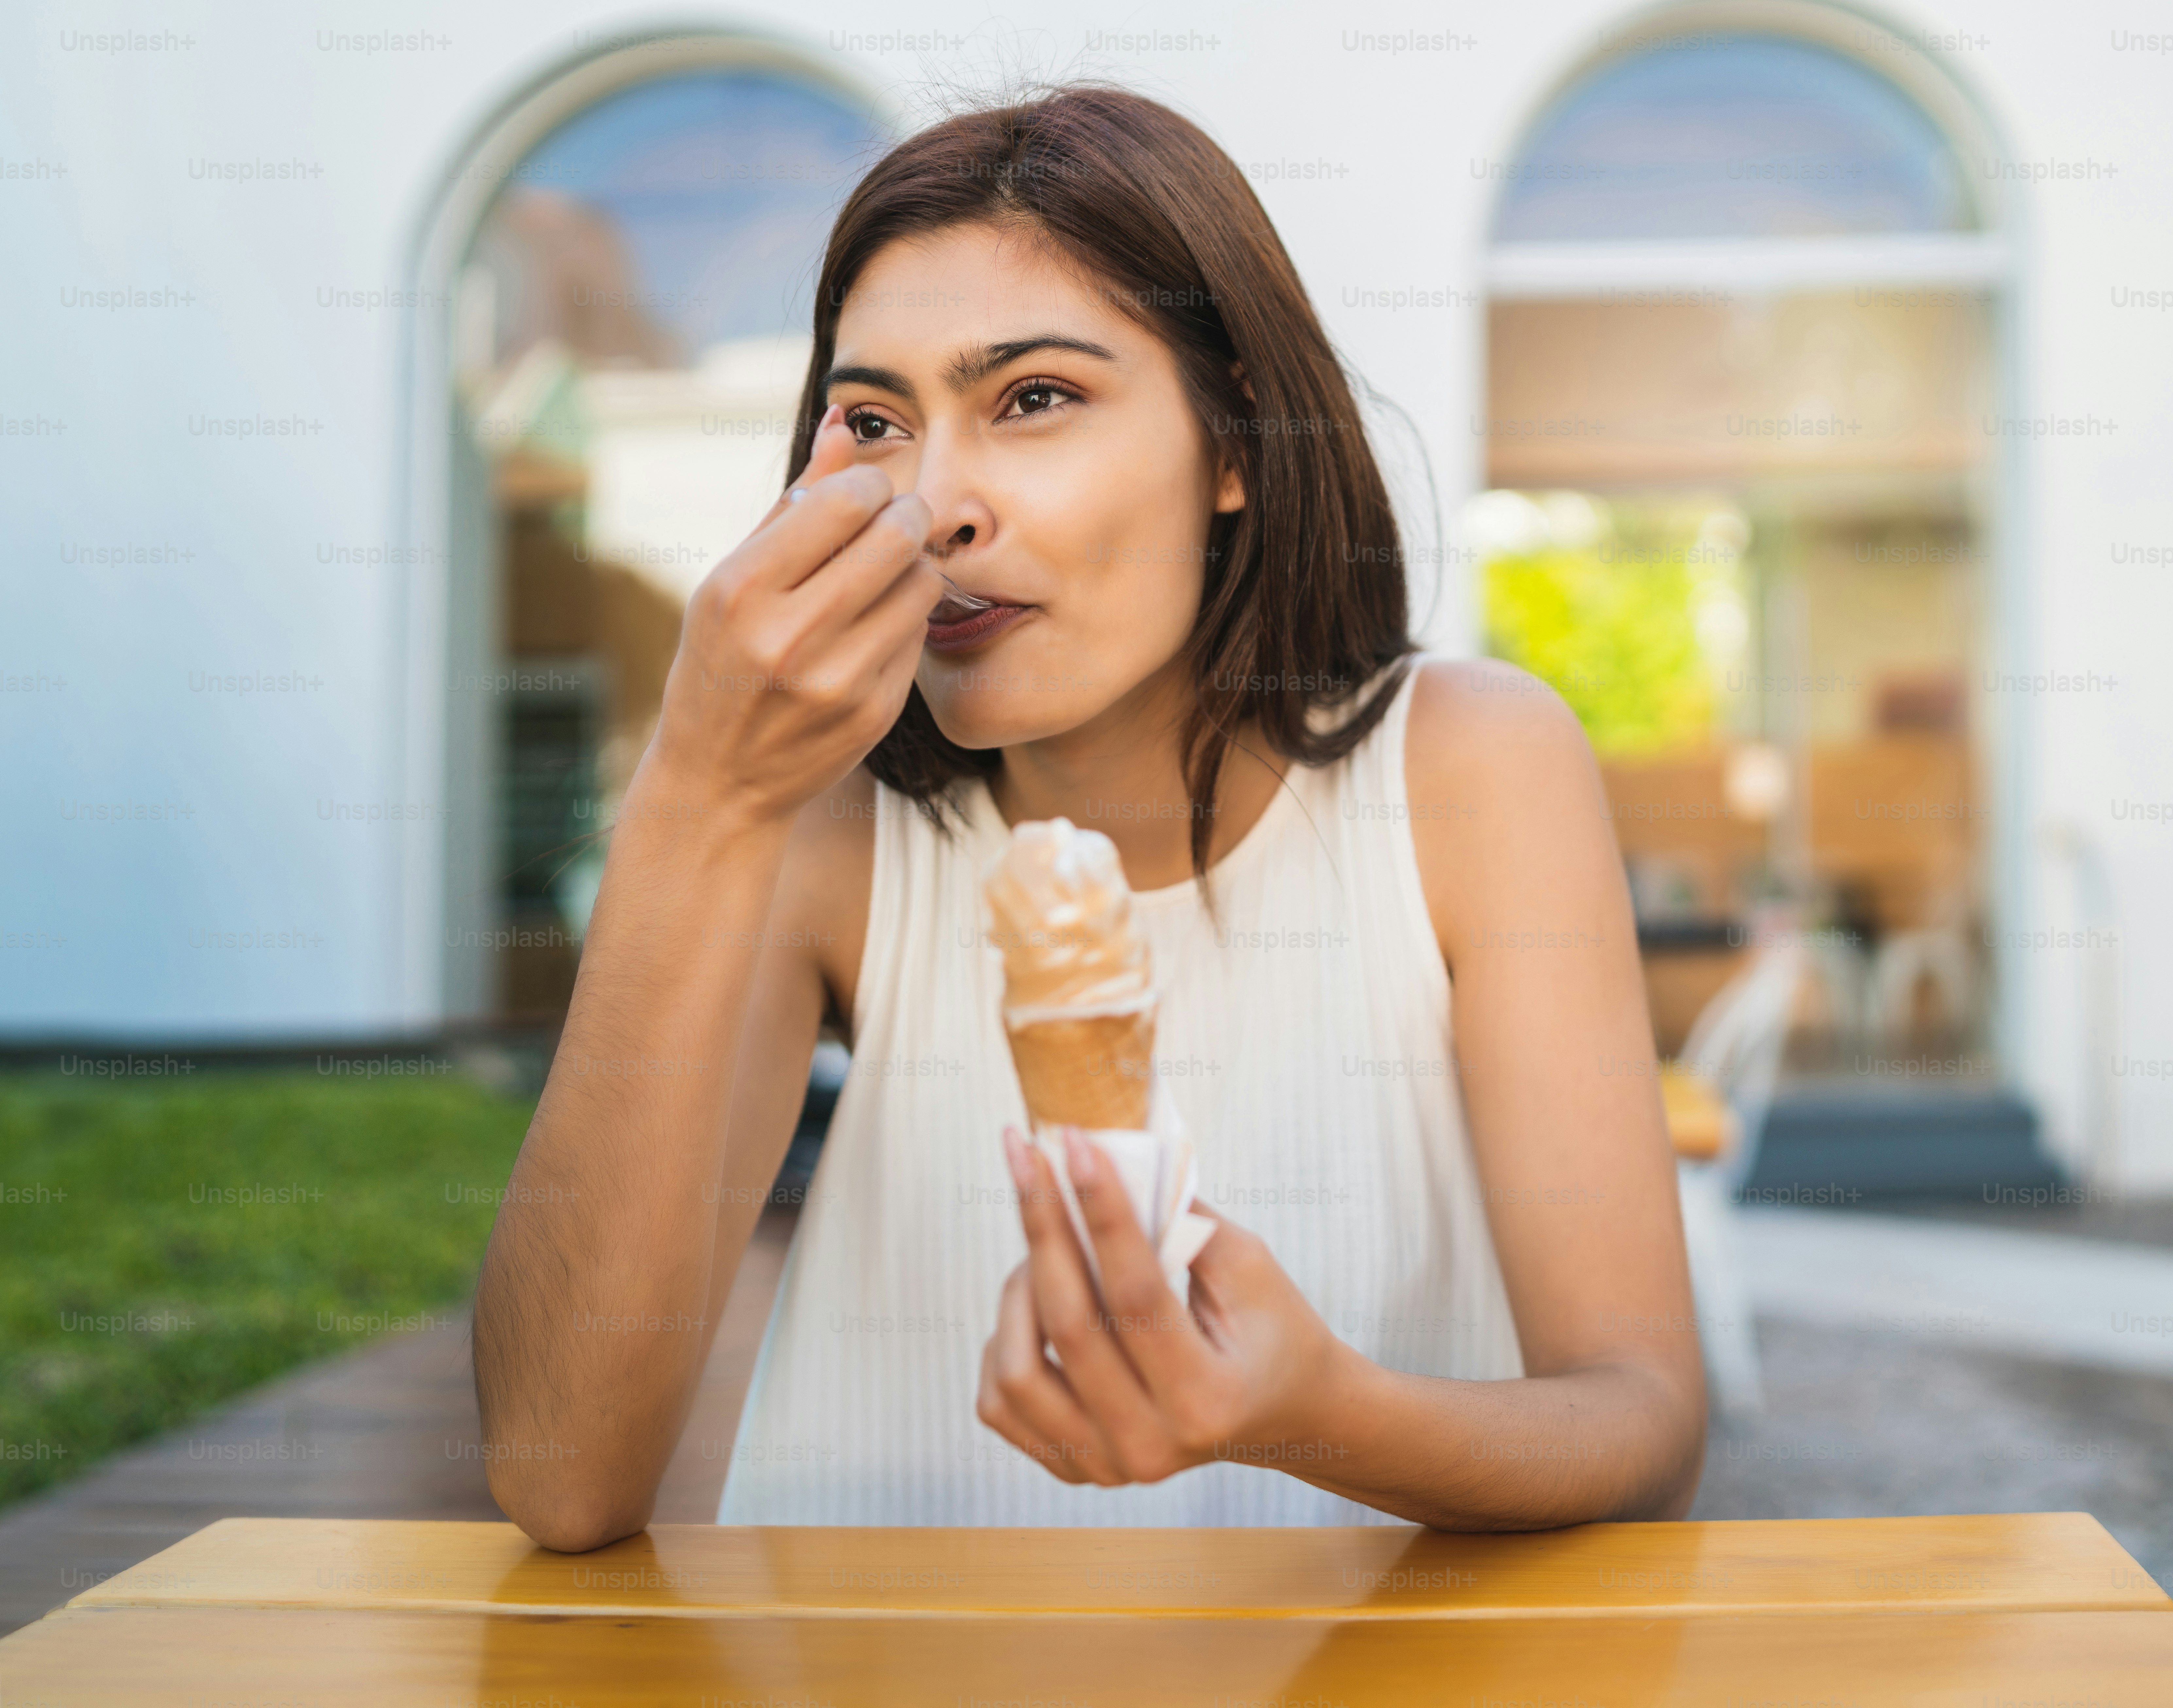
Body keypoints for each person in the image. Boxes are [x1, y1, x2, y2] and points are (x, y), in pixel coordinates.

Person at [471, 84, 1703, 1549]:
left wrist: (1312, 1410)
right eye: (871, 421)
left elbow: (1638, 1419)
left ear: (1238, 437)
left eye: (1033, 399)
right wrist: (693, 795)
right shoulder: (820, 833)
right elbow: (557, 1467)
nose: (932, 505)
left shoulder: (1467, 772)